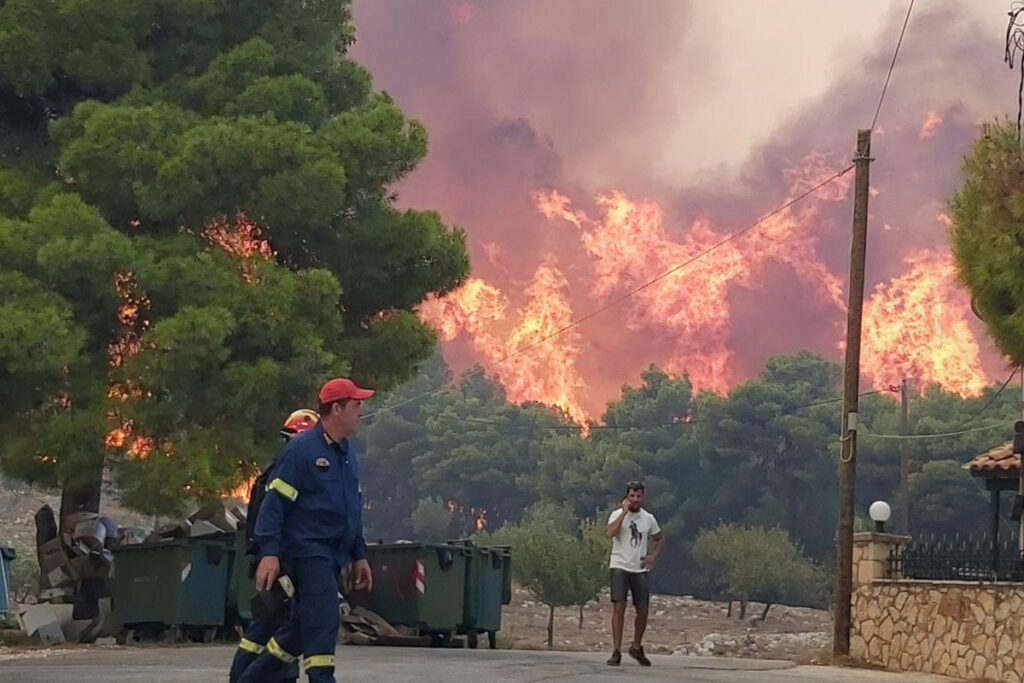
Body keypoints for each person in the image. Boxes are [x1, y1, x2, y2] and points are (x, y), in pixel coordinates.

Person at [239, 378, 374, 683]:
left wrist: (359, 554)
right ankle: (322, 678)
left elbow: (352, 510)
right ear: (336, 409)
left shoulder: (347, 454)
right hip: (308, 552)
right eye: (356, 405)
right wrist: (269, 553)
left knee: (301, 626)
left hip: (334, 555)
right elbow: (273, 506)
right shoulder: (301, 450)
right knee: (324, 621)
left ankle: (250, 679)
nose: (361, 411)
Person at [229, 409, 320, 683]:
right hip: (282, 564)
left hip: (273, 562)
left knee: (266, 626)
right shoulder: (286, 474)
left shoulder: (273, 472)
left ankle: (252, 676)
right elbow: (279, 521)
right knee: (281, 626)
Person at [604, 480, 664, 667]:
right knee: (619, 607)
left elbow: (659, 538)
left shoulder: (648, 518)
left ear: (643, 497)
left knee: (643, 609)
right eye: (632, 496)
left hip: (639, 568)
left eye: (638, 496)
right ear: (626, 497)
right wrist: (623, 512)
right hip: (620, 565)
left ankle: (636, 646)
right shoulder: (617, 514)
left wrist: (652, 555)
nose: (635, 500)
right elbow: (609, 533)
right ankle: (616, 650)